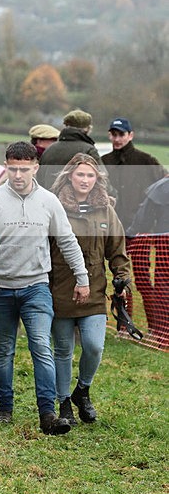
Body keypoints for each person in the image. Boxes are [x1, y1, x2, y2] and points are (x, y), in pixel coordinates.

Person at [0, 141, 90, 436]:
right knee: (4, 349)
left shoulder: (49, 202)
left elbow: (68, 241)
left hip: (36, 287)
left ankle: (47, 414)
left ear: (36, 167)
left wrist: (82, 278)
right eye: (13, 168)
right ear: (6, 166)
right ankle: (4, 408)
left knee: (41, 347)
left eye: (24, 169)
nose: (18, 175)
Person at [49, 154, 130, 425]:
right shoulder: (53, 206)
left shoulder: (106, 210)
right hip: (61, 289)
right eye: (80, 174)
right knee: (63, 350)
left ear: (97, 180)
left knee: (94, 346)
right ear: (70, 175)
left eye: (90, 175)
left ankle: (82, 390)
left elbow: (116, 249)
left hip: (95, 290)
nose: (85, 180)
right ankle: (63, 404)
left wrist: (122, 277)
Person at [126, 174, 169, 346]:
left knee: (163, 288)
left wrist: (129, 236)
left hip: (164, 247)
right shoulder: (162, 187)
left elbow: (142, 220)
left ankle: (162, 332)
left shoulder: (162, 187)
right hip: (164, 248)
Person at [101, 117, 165, 231]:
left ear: (130, 135)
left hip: (140, 226)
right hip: (110, 224)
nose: (117, 139)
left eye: (121, 134)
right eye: (113, 134)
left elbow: (164, 184)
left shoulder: (146, 160)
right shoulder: (103, 161)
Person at [37, 109, 101, 190]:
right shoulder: (88, 150)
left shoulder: (49, 150)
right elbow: (102, 179)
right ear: (87, 129)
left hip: (49, 200)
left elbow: (39, 180)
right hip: (76, 200)